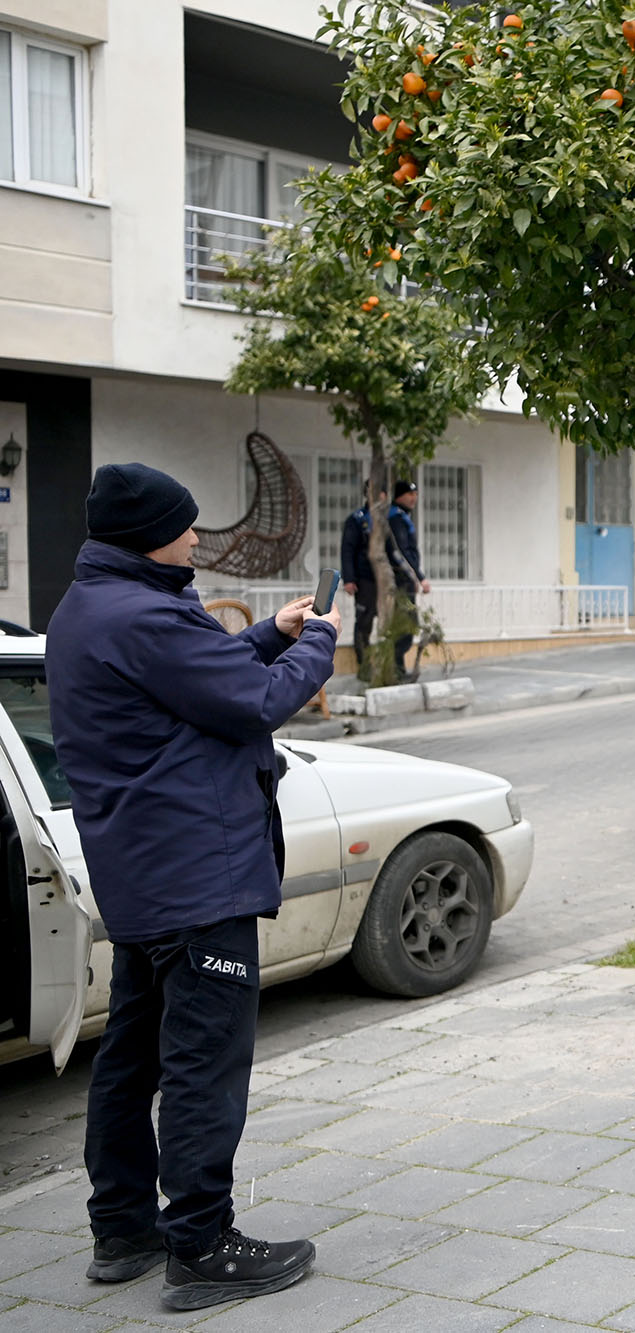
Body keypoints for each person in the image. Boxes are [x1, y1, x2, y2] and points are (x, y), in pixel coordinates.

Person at [45, 463, 338, 1312]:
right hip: (196, 874)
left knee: (131, 1058)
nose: (198, 538)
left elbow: (190, 680)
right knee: (203, 1062)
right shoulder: (143, 612)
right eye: (187, 526)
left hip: (142, 875)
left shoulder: (91, 605)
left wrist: (269, 633)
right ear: (149, 537)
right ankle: (203, 1244)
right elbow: (250, 704)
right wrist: (315, 642)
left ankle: (123, 1228)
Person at [339, 478, 429, 683]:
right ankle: (365, 668)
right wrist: (349, 578)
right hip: (366, 580)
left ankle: (394, 667)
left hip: (390, 580)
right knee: (364, 623)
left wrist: (413, 576)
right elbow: (348, 549)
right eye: (376, 492)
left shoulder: (391, 518)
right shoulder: (358, 519)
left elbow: (398, 551)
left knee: (400, 624)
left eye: (382, 492)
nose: (381, 496)